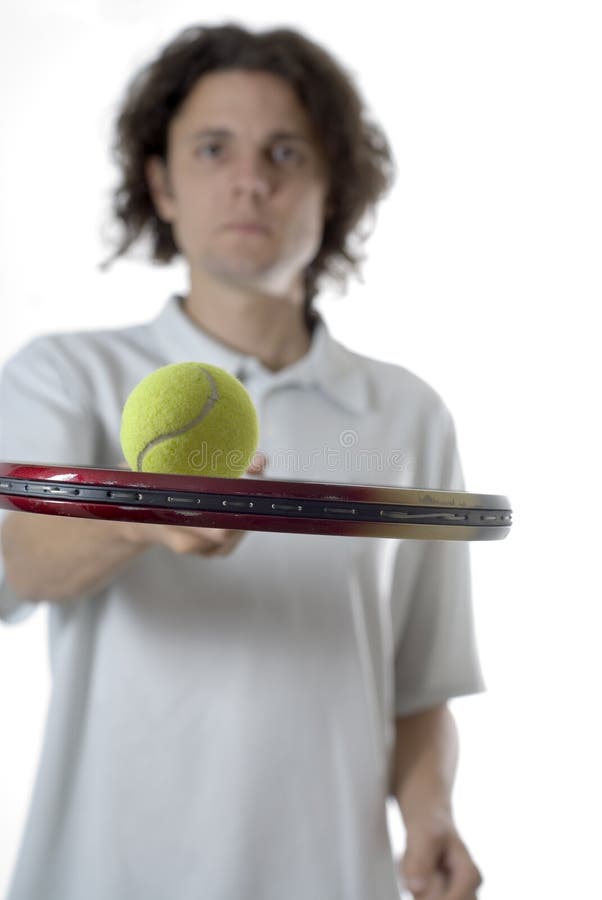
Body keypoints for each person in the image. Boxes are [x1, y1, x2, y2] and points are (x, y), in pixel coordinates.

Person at [0, 23, 484, 900]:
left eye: (285, 151)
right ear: (162, 182)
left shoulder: (408, 414)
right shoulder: (65, 376)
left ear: (332, 186)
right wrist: (141, 518)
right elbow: (14, 558)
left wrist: (431, 815)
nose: (250, 179)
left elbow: (418, 684)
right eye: (213, 148)